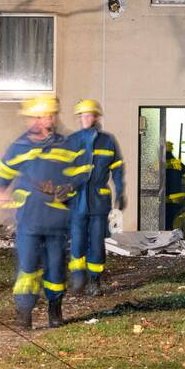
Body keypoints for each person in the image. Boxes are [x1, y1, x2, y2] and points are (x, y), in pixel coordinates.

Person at [0, 93, 89, 330]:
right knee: (27, 268)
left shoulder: (67, 145)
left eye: (40, 116)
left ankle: (55, 309)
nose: (34, 121)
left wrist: (69, 187)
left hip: (57, 222)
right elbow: (2, 172)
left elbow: (82, 172)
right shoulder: (19, 146)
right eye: (31, 117)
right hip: (29, 220)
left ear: (51, 117)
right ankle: (24, 314)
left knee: (55, 270)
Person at [64, 99, 125, 296]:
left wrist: (120, 193)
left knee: (97, 242)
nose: (85, 119)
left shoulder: (108, 140)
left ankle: (94, 281)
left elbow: (117, 169)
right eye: (82, 115)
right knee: (78, 240)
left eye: (89, 115)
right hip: (76, 198)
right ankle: (78, 277)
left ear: (96, 117)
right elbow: (61, 170)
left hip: (99, 200)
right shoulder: (72, 141)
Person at [164, 141, 185, 234]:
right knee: (174, 220)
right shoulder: (177, 162)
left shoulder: (158, 163)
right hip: (177, 198)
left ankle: (167, 235)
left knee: (166, 221)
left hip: (166, 199)